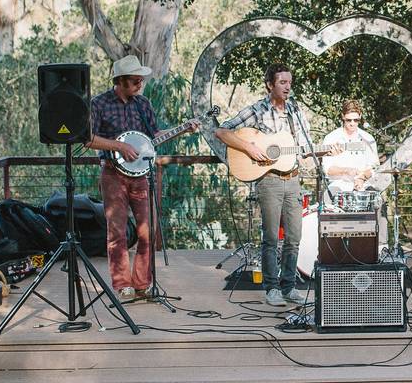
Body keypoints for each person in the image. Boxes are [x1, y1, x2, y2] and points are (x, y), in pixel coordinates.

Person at [215, 62, 338, 307]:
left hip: (293, 179)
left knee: (294, 237)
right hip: (268, 181)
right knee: (271, 237)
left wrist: (325, 152)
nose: (287, 87)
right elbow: (221, 131)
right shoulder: (257, 110)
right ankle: (271, 288)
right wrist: (249, 147)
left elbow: (303, 150)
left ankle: (289, 286)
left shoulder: (295, 112)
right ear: (270, 84)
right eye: (282, 82)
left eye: (289, 82)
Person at [88, 54, 198, 299]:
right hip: (112, 174)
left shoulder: (143, 104)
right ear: (120, 81)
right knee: (116, 231)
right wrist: (119, 147)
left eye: (141, 80)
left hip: (142, 175)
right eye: (135, 81)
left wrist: (183, 129)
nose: (140, 85)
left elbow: (155, 134)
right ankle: (121, 284)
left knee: (147, 231)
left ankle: (142, 282)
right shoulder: (99, 104)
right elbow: (88, 139)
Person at [321, 99, 388, 246]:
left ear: (360, 117)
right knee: (326, 198)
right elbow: (327, 169)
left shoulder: (367, 138)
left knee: (379, 200)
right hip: (339, 184)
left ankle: (382, 246)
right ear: (342, 117)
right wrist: (346, 170)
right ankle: (329, 246)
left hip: (362, 184)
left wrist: (362, 178)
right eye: (349, 120)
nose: (352, 123)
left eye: (356, 120)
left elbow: (374, 166)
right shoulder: (331, 138)